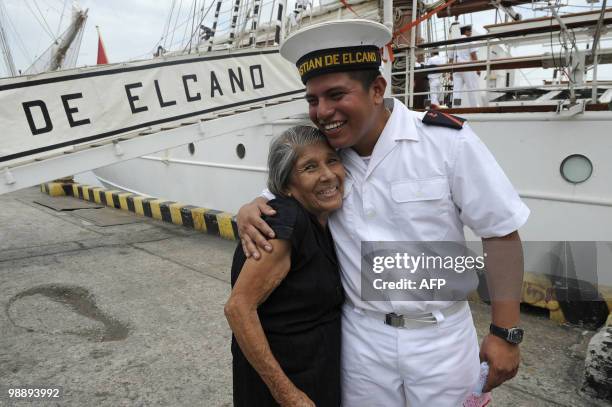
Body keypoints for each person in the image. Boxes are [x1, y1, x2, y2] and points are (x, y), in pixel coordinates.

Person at [237, 19, 529, 406]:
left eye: (336, 95)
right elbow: (275, 197)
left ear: (377, 89)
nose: (323, 112)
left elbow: (500, 232)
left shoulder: (445, 143)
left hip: (440, 340)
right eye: (313, 99)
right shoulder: (325, 156)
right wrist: (247, 209)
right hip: (361, 341)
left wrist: (505, 331)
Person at [225, 126, 345, 407]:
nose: (327, 175)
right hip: (285, 390)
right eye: (309, 167)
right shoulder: (285, 223)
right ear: (287, 185)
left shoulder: (318, 219)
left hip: (313, 378)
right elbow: (238, 308)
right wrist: (288, 396)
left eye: (332, 160)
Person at [450, 25, 482, 107]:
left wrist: (450, 73)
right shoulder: (469, 40)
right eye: (470, 31)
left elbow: (450, 59)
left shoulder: (455, 42)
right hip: (467, 68)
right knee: (471, 89)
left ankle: (456, 107)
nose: (471, 33)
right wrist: (478, 69)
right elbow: (473, 56)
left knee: (457, 91)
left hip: (456, 68)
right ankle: (474, 108)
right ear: (466, 31)